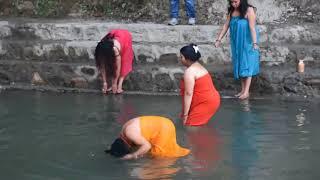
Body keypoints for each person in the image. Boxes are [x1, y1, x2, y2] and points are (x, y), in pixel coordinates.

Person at [215, 0, 260, 100]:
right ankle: (243, 90)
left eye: (235, 2)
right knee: (240, 64)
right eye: (231, 2)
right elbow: (226, 25)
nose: (233, 4)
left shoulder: (249, 10)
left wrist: (255, 43)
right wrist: (219, 39)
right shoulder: (232, 12)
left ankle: (246, 92)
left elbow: (252, 28)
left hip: (248, 41)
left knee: (247, 64)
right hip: (237, 42)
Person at [105, 116, 190, 160]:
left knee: (159, 157)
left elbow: (147, 146)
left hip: (164, 128)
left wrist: (133, 155)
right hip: (164, 122)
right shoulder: (124, 131)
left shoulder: (130, 133)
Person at [179, 44, 220, 126]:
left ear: (188, 59)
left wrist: (185, 115)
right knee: (190, 123)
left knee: (190, 126)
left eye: (181, 57)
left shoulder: (190, 72)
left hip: (205, 102)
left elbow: (188, 93)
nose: (180, 59)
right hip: (210, 100)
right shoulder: (198, 66)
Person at [94, 29, 134, 94]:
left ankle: (120, 86)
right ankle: (112, 85)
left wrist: (115, 83)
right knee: (109, 64)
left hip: (125, 37)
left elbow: (118, 67)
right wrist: (104, 82)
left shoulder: (115, 49)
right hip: (115, 34)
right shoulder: (101, 47)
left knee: (124, 62)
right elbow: (102, 66)